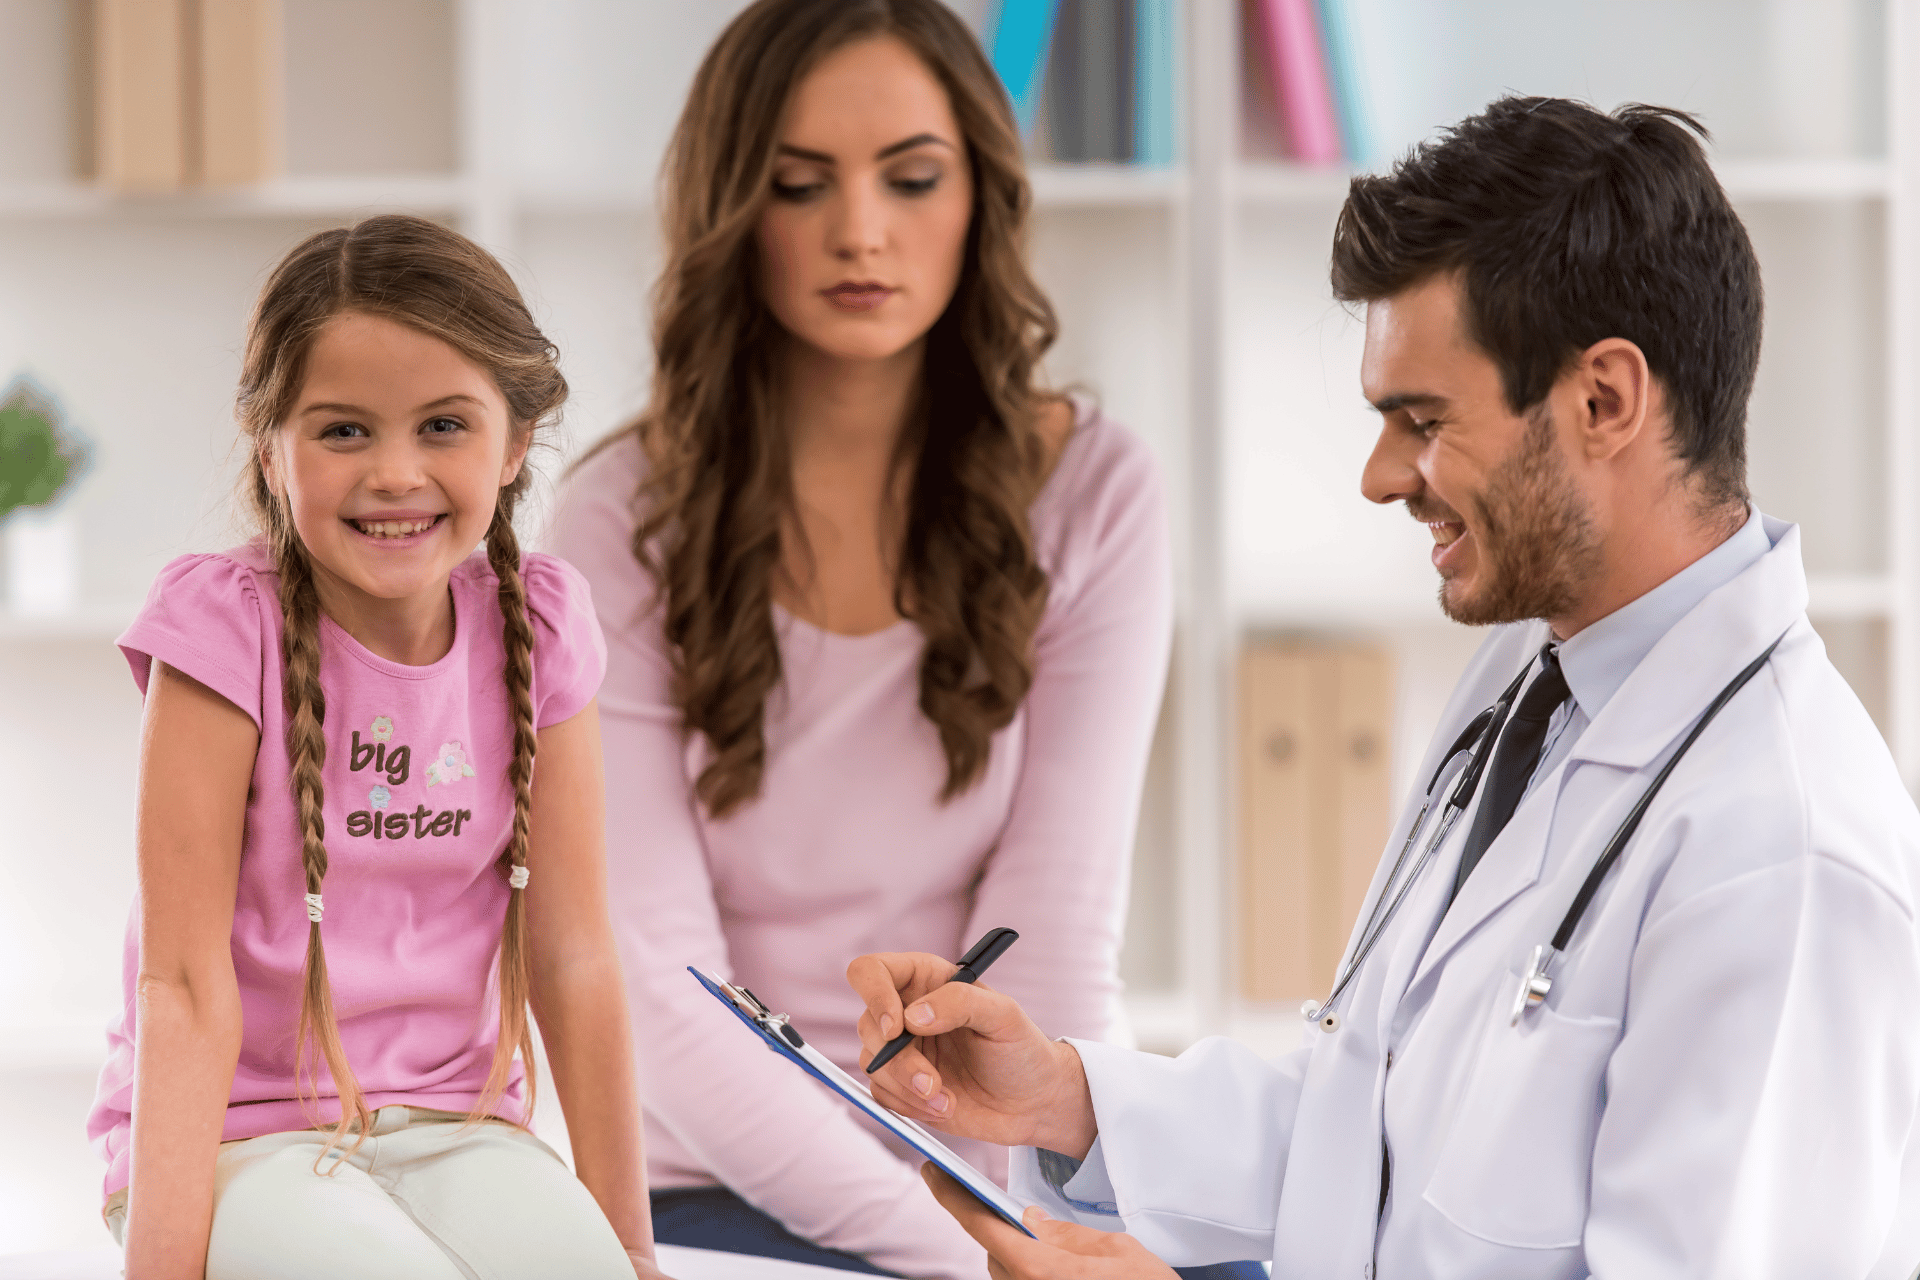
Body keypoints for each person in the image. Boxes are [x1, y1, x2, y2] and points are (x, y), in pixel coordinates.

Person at [849, 98, 1920, 1280]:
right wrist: (1067, 1097)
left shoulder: (1783, 853)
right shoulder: (1530, 677)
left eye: (1422, 420)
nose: (1378, 477)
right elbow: (1373, 1121)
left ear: (1605, 400)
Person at [544, 2, 1188, 1277]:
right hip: (718, 1176)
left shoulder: (1099, 490)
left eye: (912, 178)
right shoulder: (615, 521)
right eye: (799, 185)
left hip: (1002, 1153)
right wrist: (976, 1256)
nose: (860, 231)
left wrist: (1021, 1215)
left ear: (979, 198)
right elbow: (664, 993)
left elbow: (1057, 925)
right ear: (735, 209)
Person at [86, 215, 663, 1280]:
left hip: (465, 1127)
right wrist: (162, 1265)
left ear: (516, 440)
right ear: (272, 444)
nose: (395, 473)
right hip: (236, 1137)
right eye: (343, 430)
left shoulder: (540, 628)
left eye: (444, 424)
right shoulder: (223, 629)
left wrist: (631, 1243)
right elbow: (182, 980)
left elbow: (574, 956)